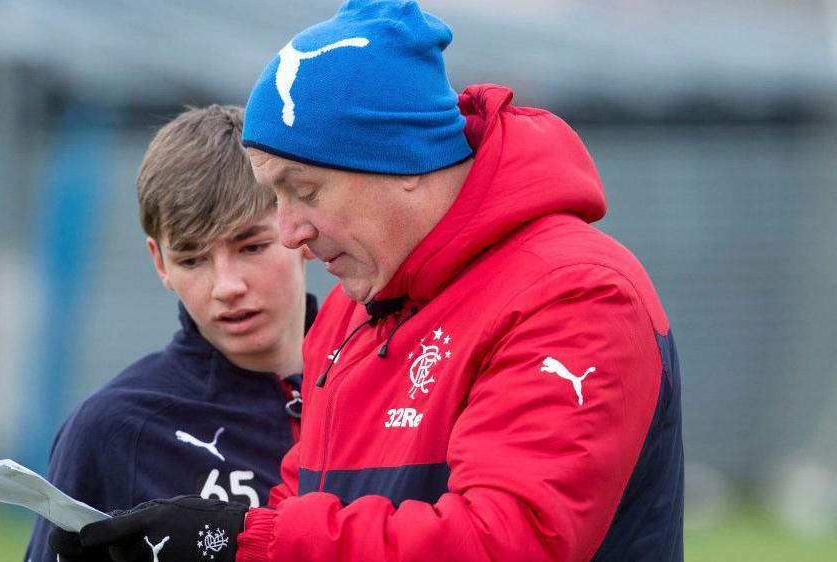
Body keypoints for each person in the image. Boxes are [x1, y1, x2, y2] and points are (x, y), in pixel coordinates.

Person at [54, 2, 683, 561]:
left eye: (303, 191)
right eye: (276, 196)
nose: (291, 231)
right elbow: (302, 510)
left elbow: (507, 542)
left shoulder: (574, 294)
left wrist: (245, 542)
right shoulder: (349, 317)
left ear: (402, 162)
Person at [25, 105, 315, 562]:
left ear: (301, 229)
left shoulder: (393, 390)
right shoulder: (111, 430)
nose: (226, 286)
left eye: (252, 246)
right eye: (192, 259)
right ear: (160, 263)